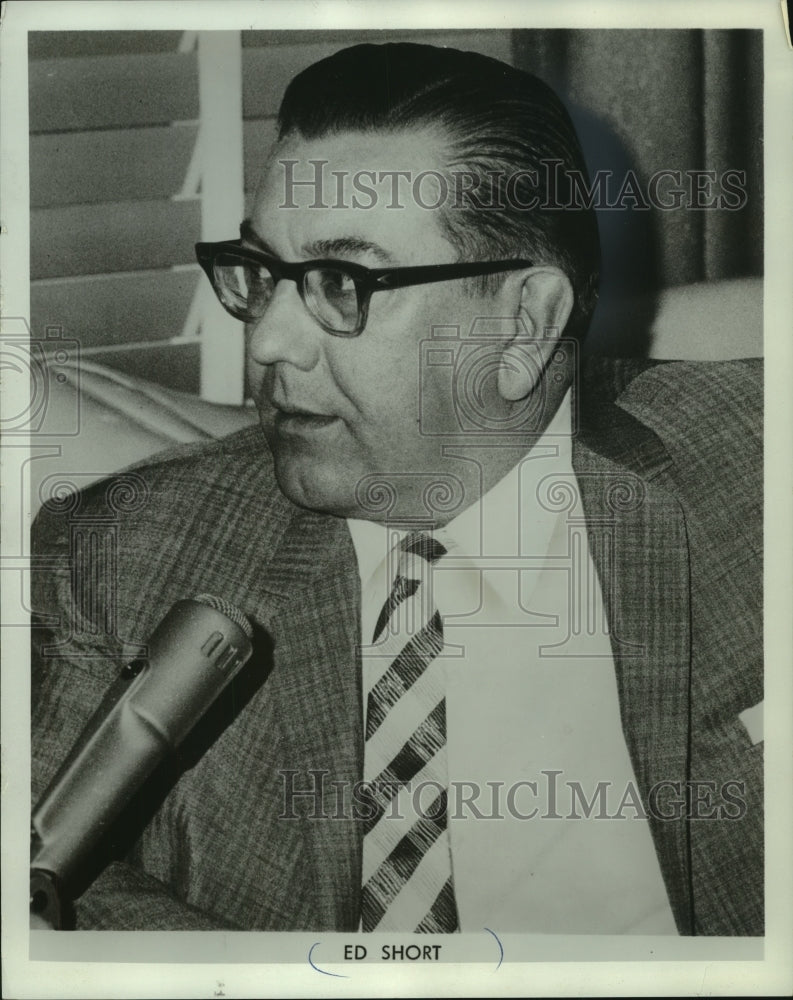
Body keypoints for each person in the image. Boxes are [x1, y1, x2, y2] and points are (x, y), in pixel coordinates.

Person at [31, 42, 762, 935]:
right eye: (264, 274)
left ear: (524, 324)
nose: (267, 343)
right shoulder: (117, 557)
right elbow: (48, 894)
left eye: (342, 282)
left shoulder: (755, 476)